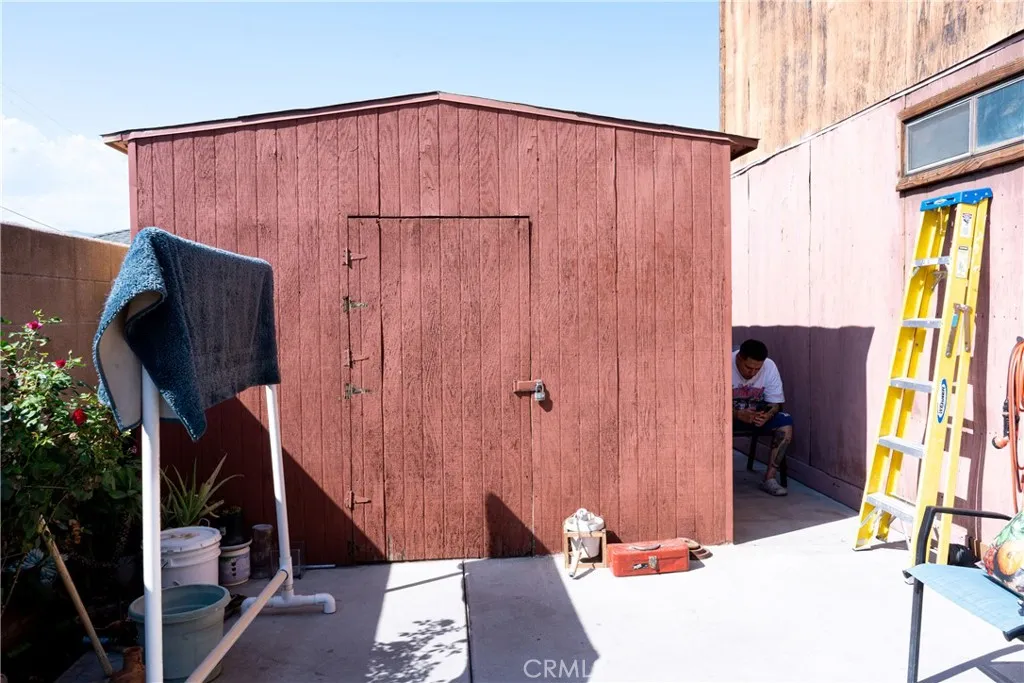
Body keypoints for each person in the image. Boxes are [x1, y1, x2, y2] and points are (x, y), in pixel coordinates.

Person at [732, 339, 793, 496]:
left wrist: (767, 415)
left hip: (755, 416)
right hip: (727, 417)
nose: (752, 373)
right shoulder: (724, 364)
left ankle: (770, 478)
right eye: (748, 367)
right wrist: (737, 414)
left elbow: (775, 403)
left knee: (785, 424)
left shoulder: (769, 366)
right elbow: (708, 406)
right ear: (739, 358)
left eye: (757, 369)